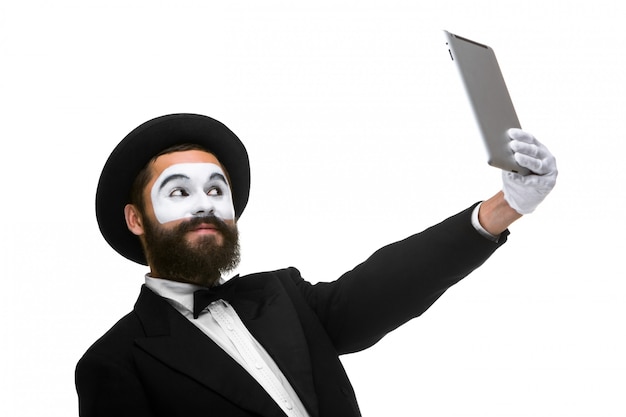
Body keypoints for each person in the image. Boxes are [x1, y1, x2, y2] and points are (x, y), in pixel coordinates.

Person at [75, 113, 557, 417]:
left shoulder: (283, 296)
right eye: (179, 191)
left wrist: (505, 206)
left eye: (216, 190)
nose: (205, 204)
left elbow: (388, 284)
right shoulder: (114, 363)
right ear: (136, 218)